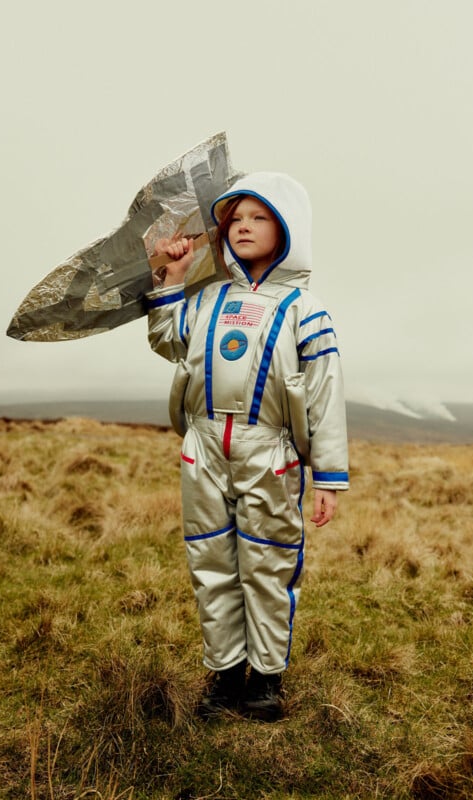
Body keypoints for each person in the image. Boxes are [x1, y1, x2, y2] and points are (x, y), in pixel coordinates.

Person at [146, 172, 349, 721]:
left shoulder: (305, 309)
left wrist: (329, 477)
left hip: (270, 452)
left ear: (287, 228)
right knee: (211, 562)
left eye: (258, 217)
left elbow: (326, 394)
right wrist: (175, 275)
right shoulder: (208, 298)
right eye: (234, 218)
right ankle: (224, 674)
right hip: (204, 450)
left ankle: (265, 680)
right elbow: (168, 340)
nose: (243, 227)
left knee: (267, 563)